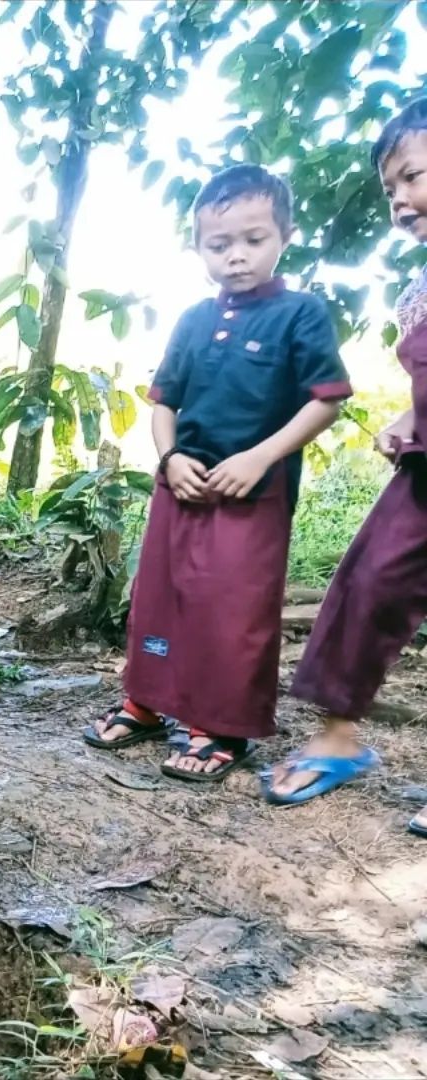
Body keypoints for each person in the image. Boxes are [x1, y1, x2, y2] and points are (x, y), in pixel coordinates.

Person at [83, 164, 351, 782]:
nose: (236, 256)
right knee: (160, 599)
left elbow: (326, 399)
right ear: (199, 246)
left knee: (232, 610)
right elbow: (164, 403)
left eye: (253, 240)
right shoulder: (194, 320)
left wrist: (261, 456)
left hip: (254, 492)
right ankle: (147, 702)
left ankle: (222, 727)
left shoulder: (300, 314)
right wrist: (169, 458)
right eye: (219, 244)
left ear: (285, 236)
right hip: (183, 486)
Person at [270, 101, 427, 825]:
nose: (400, 202)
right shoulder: (417, 293)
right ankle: (339, 738)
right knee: (367, 582)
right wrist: (407, 416)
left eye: (413, 177)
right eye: (391, 190)